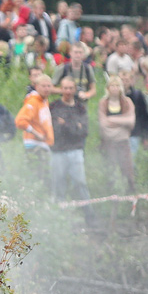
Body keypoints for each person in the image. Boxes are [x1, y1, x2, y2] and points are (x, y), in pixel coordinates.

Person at [50, 77, 95, 224]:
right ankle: (59, 218)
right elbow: (54, 128)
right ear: (61, 89)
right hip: (58, 150)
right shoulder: (54, 106)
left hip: (76, 150)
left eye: (70, 88)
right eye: (65, 88)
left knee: (80, 183)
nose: (68, 91)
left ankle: (89, 215)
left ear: (75, 89)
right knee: (59, 184)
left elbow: (83, 131)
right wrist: (74, 126)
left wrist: (66, 125)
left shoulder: (80, 108)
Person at [98, 75, 136, 192]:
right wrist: (122, 123)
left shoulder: (127, 102)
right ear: (108, 88)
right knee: (111, 170)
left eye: (117, 85)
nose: (115, 88)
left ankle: (131, 195)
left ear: (121, 88)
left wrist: (112, 120)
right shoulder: (103, 103)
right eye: (112, 85)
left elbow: (131, 121)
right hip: (109, 142)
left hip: (123, 141)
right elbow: (103, 124)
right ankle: (111, 195)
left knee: (127, 170)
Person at [15, 73, 54, 180]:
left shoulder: (44, 101)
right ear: (37, 87)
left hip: (43, 145)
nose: (46, 89)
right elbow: (20, 121)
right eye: (43, 86)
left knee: (45, 178)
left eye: (48, 86)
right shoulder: (33, 101)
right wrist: (36, 133)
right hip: (35, 146)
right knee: (37, 178)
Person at [119, 69, 148, 156]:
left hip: (133, 133)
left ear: (131, 80)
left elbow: (145, 117)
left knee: (130, 159)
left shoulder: (138, 96)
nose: (124, 83)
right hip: (117, 134)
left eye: (126, 80)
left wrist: (145, 137)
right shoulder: (113, 97)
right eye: (122, 80)